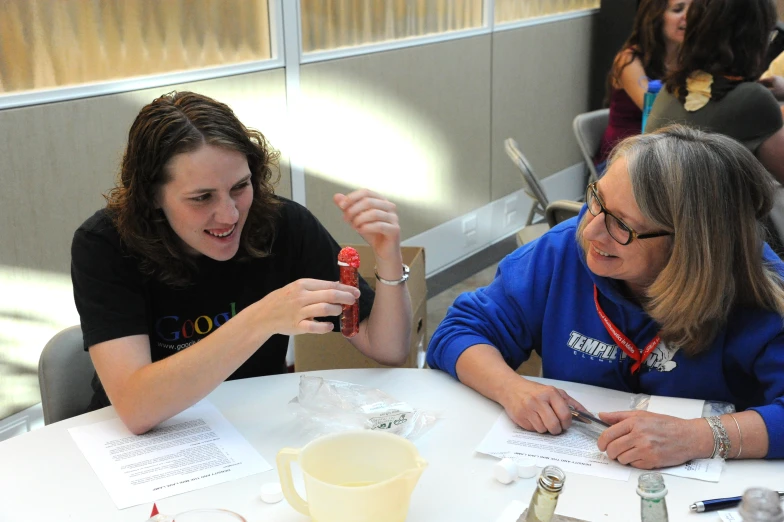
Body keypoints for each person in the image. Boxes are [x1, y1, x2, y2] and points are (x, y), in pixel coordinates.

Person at [427, 126, 784, 469]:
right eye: (596, 199)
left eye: (623, 225)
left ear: (689, 244)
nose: (591, 230)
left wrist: (699, 437)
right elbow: (457, 332)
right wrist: (513, 389)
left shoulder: (759, 287)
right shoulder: (561, 251)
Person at [72, 91, 412, 434]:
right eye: (202, 198)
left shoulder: (283, 224)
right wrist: (261, 319)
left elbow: (387, 347)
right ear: (152, 196)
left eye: (240, 186)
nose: (230, 215)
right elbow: (137, 408)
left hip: (251, 426)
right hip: (148, 444)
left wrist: (388, 256)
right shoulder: (105, 244)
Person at [645, 0, 784, 185]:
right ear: (752, 38)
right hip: (707, 213)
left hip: (656, 210)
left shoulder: (671, 89)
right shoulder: (754, 100)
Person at [594, 0, 691, 170]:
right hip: (622, 159)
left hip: (664, 155)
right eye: (678, 10)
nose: (689, 16)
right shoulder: (629, 60)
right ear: (656, 16)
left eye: (695, 9)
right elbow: (657, 112)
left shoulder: (689, 58)